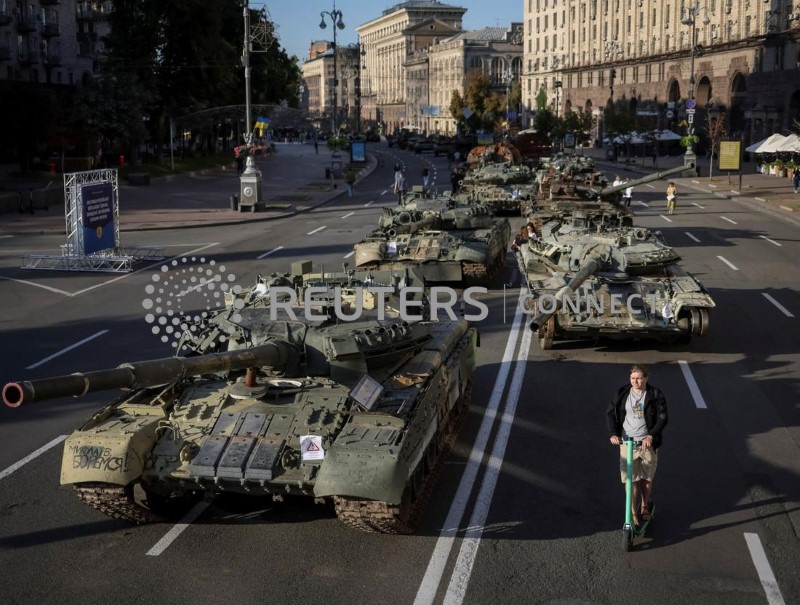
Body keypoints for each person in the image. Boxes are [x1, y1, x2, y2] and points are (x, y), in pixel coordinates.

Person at [607, 364, 668, 527]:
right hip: (627, 443)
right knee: (631, 480)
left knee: (646, 480)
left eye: (639, 378)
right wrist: (614, 434)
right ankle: (632, 513)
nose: (635, 381)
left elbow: (663, 418)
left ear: (646, 378)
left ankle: (645, 505)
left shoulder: (655, 394)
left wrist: (651, 436)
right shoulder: (622, 393)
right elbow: (610, 413)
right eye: (633, 378)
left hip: (648, 445)